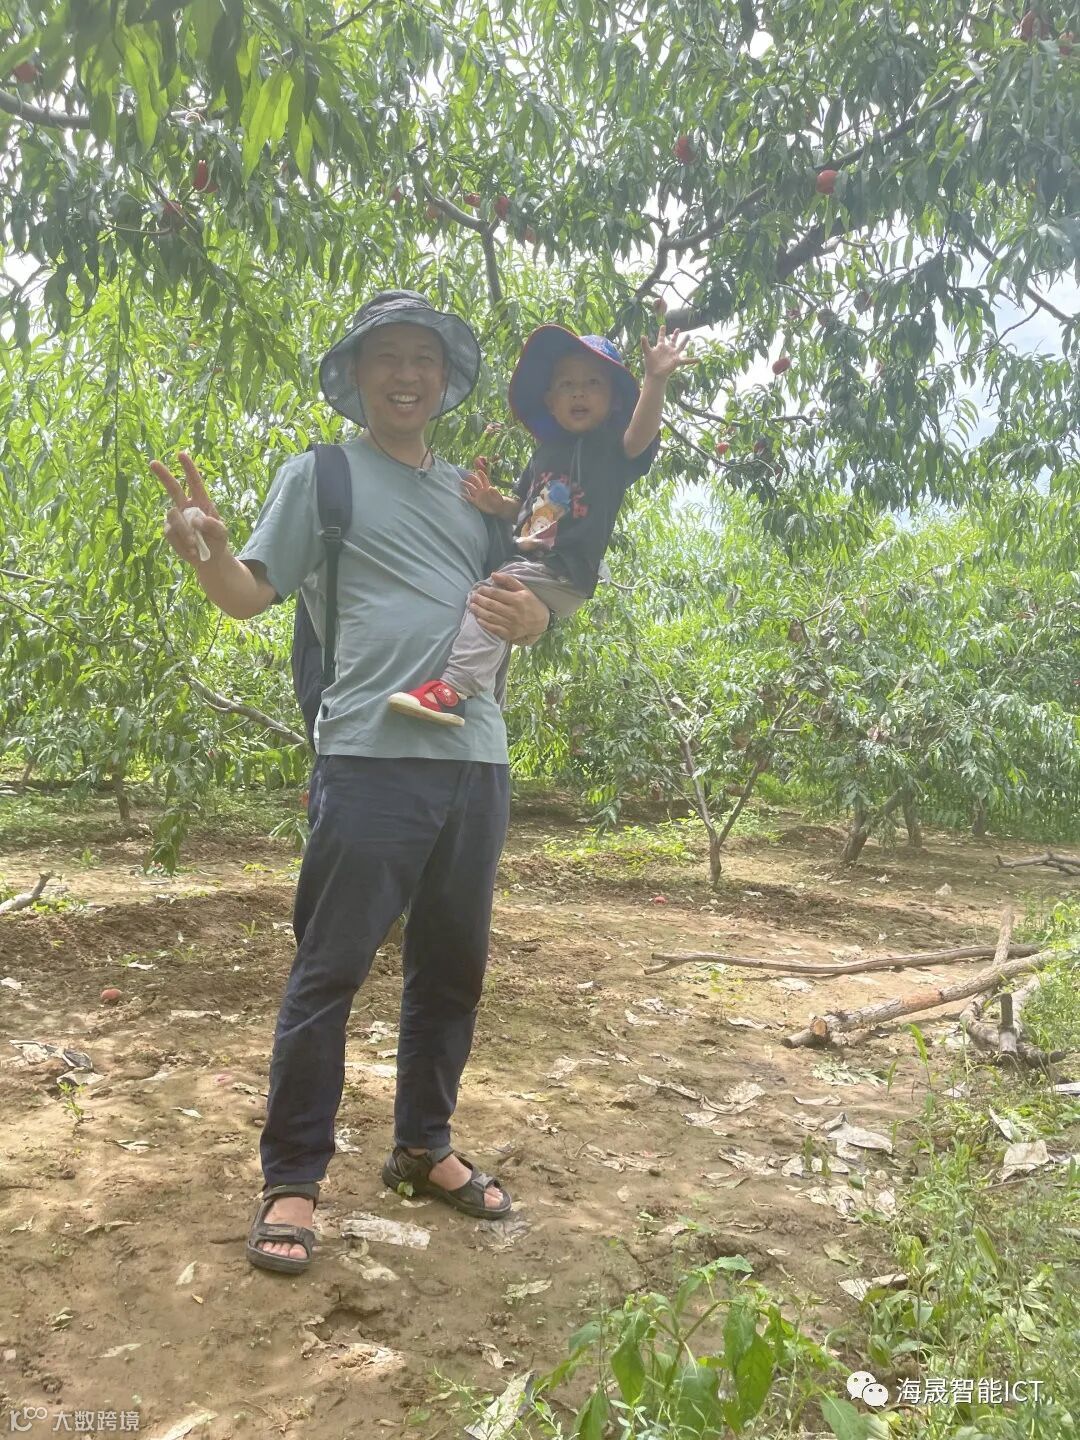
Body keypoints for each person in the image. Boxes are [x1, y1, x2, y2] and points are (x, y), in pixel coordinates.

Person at [150, 291, 551, 1275]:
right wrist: (207, 551)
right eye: (387, 358)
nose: (406, 375)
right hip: (372, 756)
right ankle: (293, 1178)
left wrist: (534, 621)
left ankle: (422, 1146)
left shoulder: (474, 495)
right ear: (358, 376)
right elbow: (247, 595)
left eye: (424, 358)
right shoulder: (321, 476)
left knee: (451, 969)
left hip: (477, 758)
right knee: (330, 970)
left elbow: (524, 605)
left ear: (445, 380)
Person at [387, 324, 694, 726]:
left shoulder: (612, 449)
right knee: (499, 619)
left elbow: (640, 435)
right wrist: (497, 504)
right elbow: (525, 510)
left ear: (614, 399)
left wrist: (656, 379)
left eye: (592, 383)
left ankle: (453, 690)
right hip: (532, 565)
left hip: (565, 569)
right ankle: (485, 711)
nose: (579, 392)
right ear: (550, 401)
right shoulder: (545, 453)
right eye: (567, 384)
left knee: (489, 596)